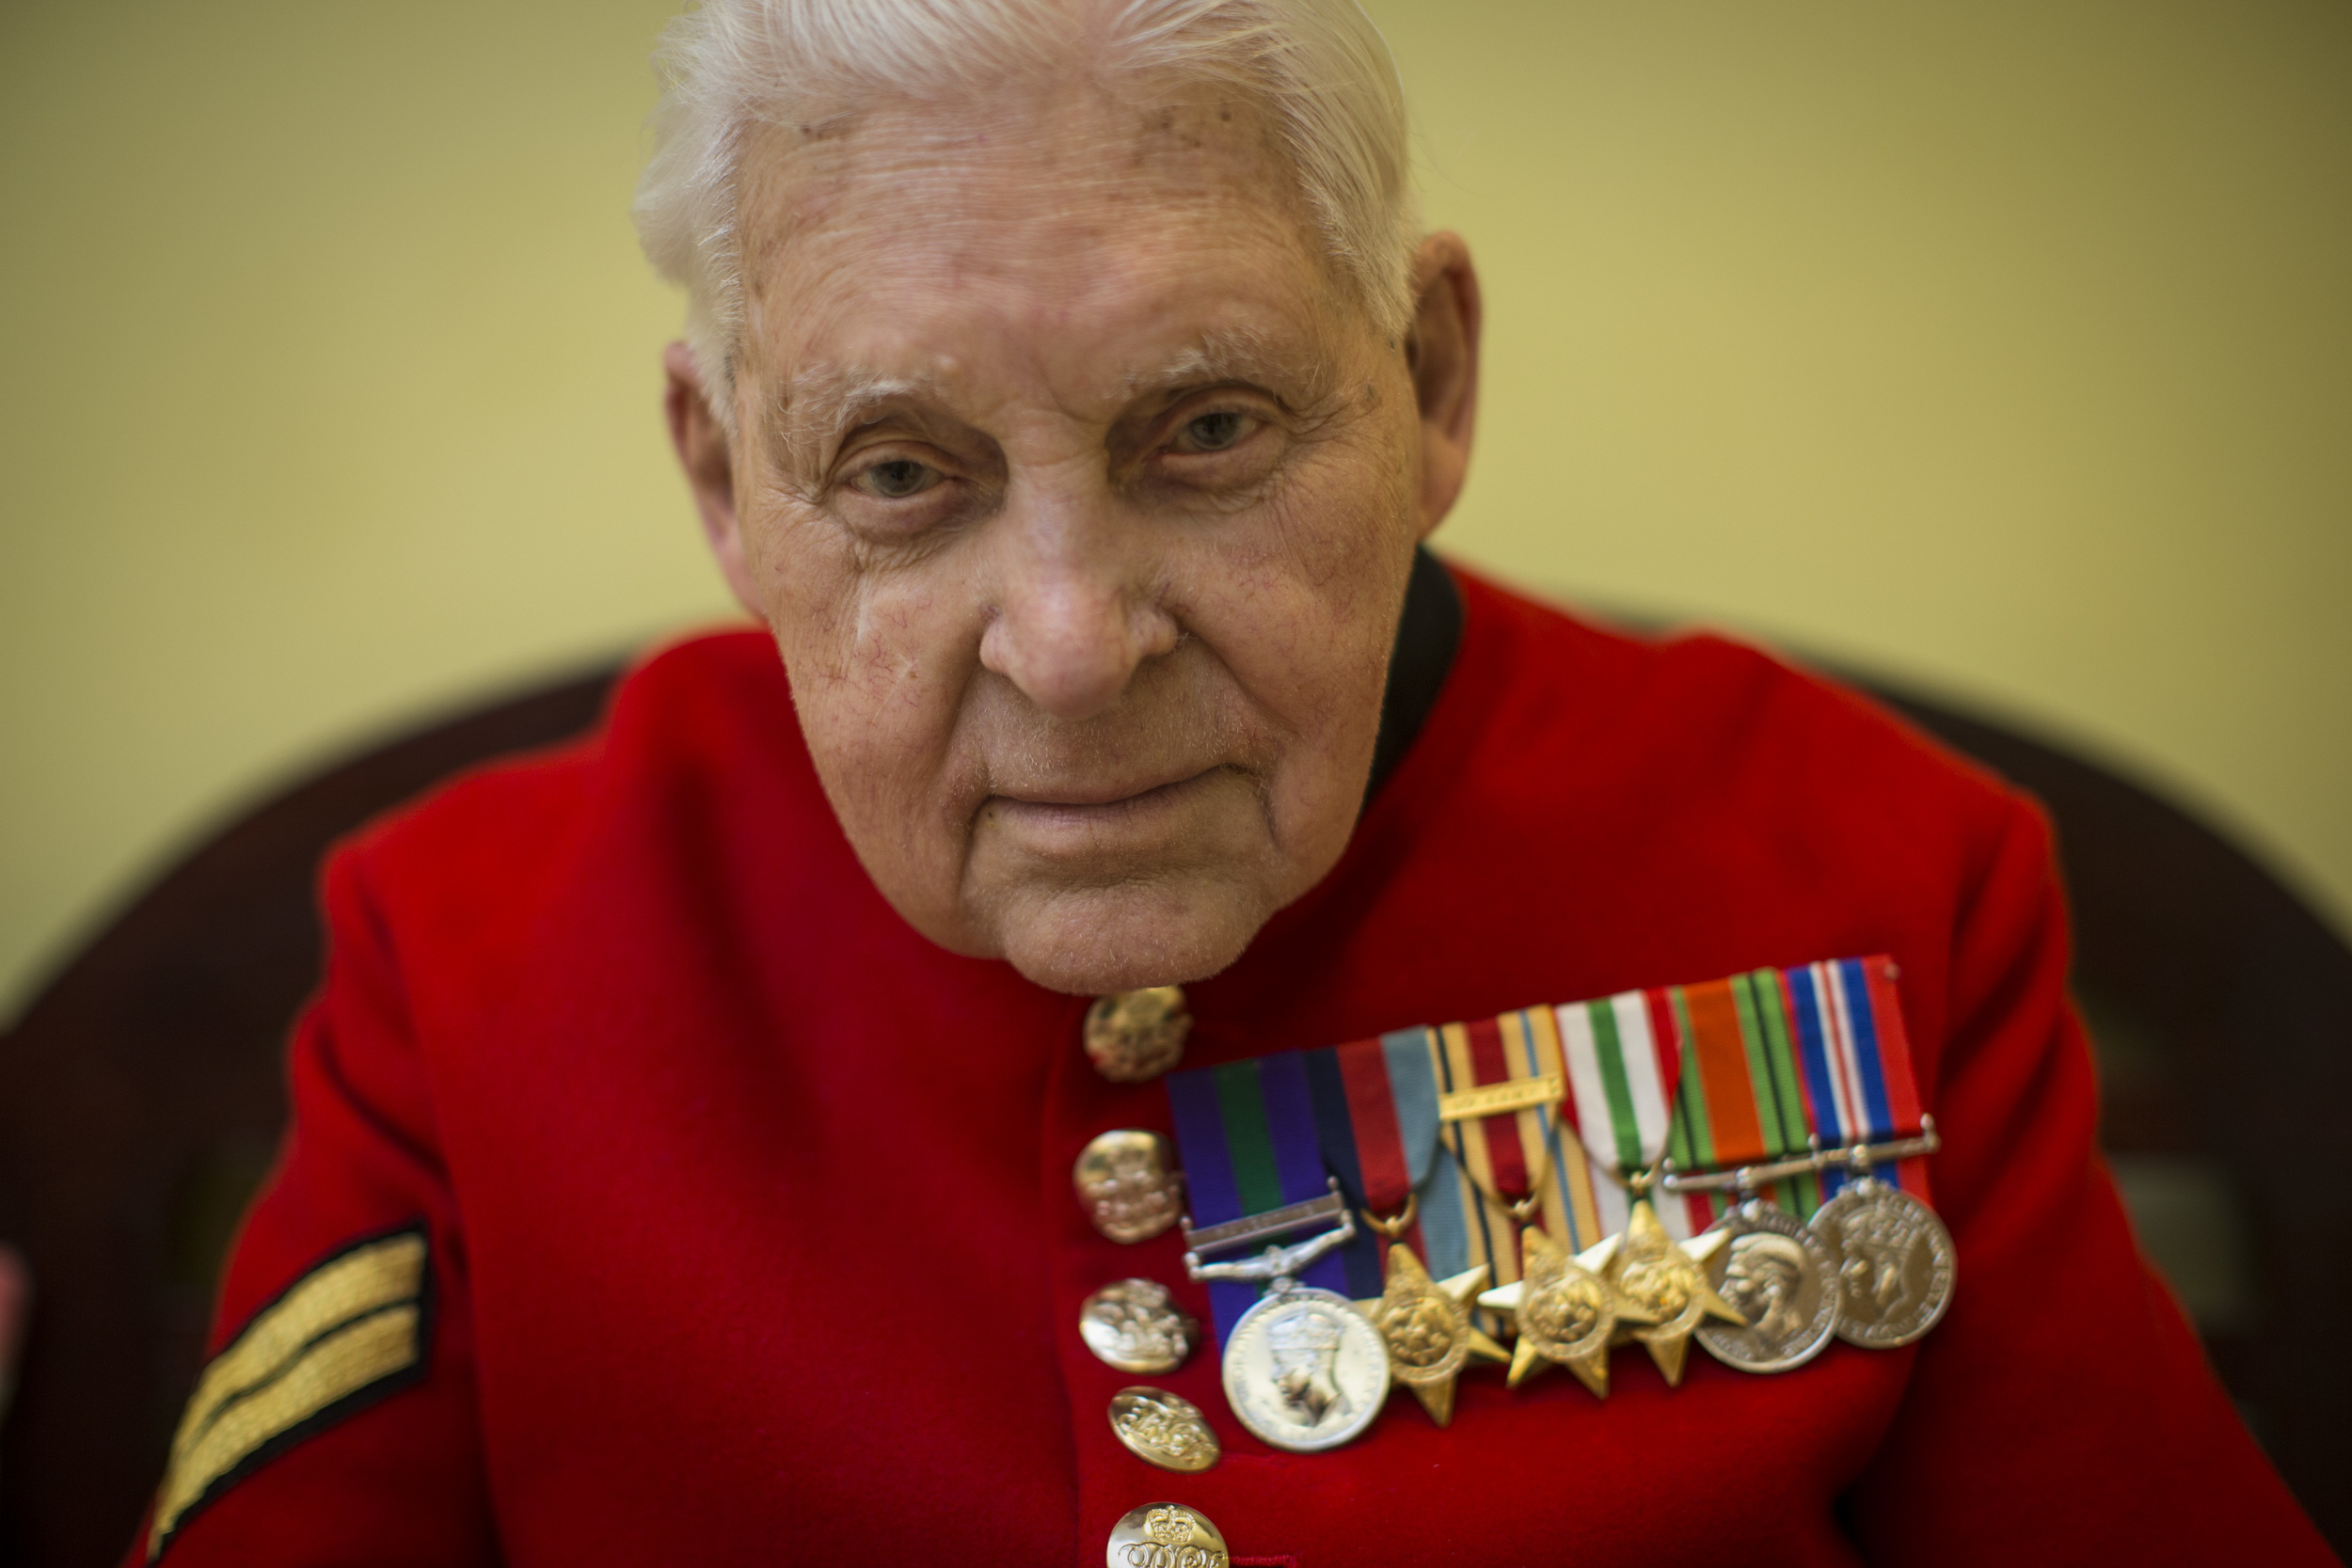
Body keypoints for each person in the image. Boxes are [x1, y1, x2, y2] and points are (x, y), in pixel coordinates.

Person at [130, 0, 2333, 1563]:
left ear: (1428, 381)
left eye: (1204, 431)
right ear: (722, 478)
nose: (1072, 643)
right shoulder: (473, 952)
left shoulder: (1859, 869)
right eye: (898, 473)